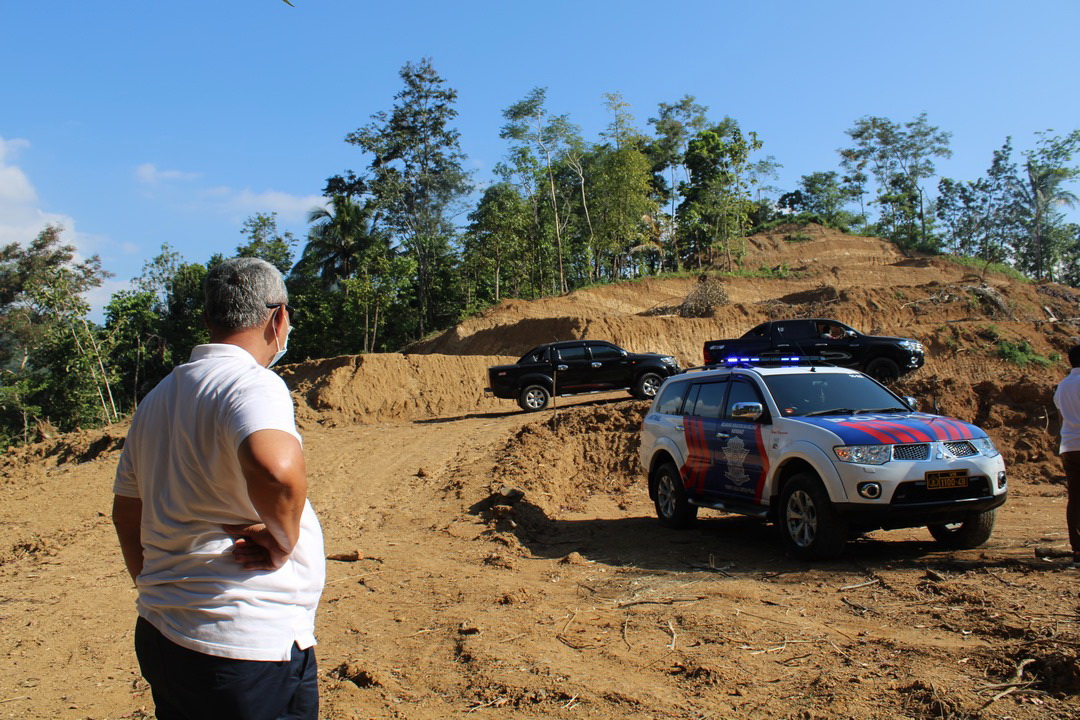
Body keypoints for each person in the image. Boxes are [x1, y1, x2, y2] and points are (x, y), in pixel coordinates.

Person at [112, 257, 325, 719]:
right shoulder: (253, 385)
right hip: (243, 645)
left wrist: (159, 586)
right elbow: (277, 470)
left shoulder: (157, 398)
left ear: (208, 319)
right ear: (279, 318)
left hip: (163, 633)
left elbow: (127, 511)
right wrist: (284, 541)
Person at [1055, 344, 1080, 569]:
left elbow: (1062, 417)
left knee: (1075, 498)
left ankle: (1078, 550)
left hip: (1070, 446)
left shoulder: (1062, 386)